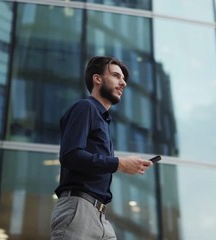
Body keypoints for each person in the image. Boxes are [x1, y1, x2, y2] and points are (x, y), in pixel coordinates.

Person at [51, 56, 153, 240]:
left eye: (123, 79)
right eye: (116, 76)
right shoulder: (85, 108)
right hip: (79, 210)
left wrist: (122, 164)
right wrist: (119, 164)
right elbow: (70, 155)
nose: (123, 83)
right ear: (97, 79)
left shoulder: (103, 121)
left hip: (100, 216)